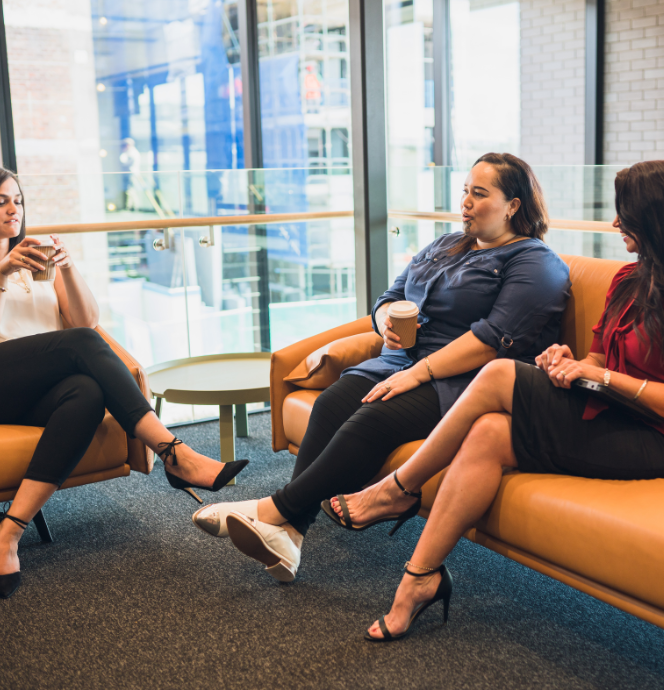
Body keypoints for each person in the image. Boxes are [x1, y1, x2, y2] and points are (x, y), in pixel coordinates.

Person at [328, 159, 664, 641]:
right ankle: (420, 579)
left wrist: (601, 376)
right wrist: (569, 364)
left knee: (500, 371)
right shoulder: (630, 280)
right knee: (487, 433)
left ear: (657, 218)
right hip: (609, 410)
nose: (615, 223)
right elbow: (597, 358)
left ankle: (400, 488)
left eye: (624, 214)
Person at [192, 153, 572, 583]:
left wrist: (417, 373)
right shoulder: (446, 244)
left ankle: (272, 511)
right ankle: (290, 533)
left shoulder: (534, 263)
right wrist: (385, 322)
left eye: (479, 194)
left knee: (373, 416)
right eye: (465, 190)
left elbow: (491, 340)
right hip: (401, 360)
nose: (465, 201)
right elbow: (389, 296)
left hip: (462, 380)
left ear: (513, 205)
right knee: (333, 403)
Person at [0, 165, 247, 599]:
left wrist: (68, 268)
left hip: (23, 387)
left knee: (88, 392)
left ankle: (8, 531)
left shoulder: (33, 260)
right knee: (77, 345)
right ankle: (174, 453)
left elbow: (85, 321)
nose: (12, 210)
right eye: (0, 201)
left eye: (18, 200)